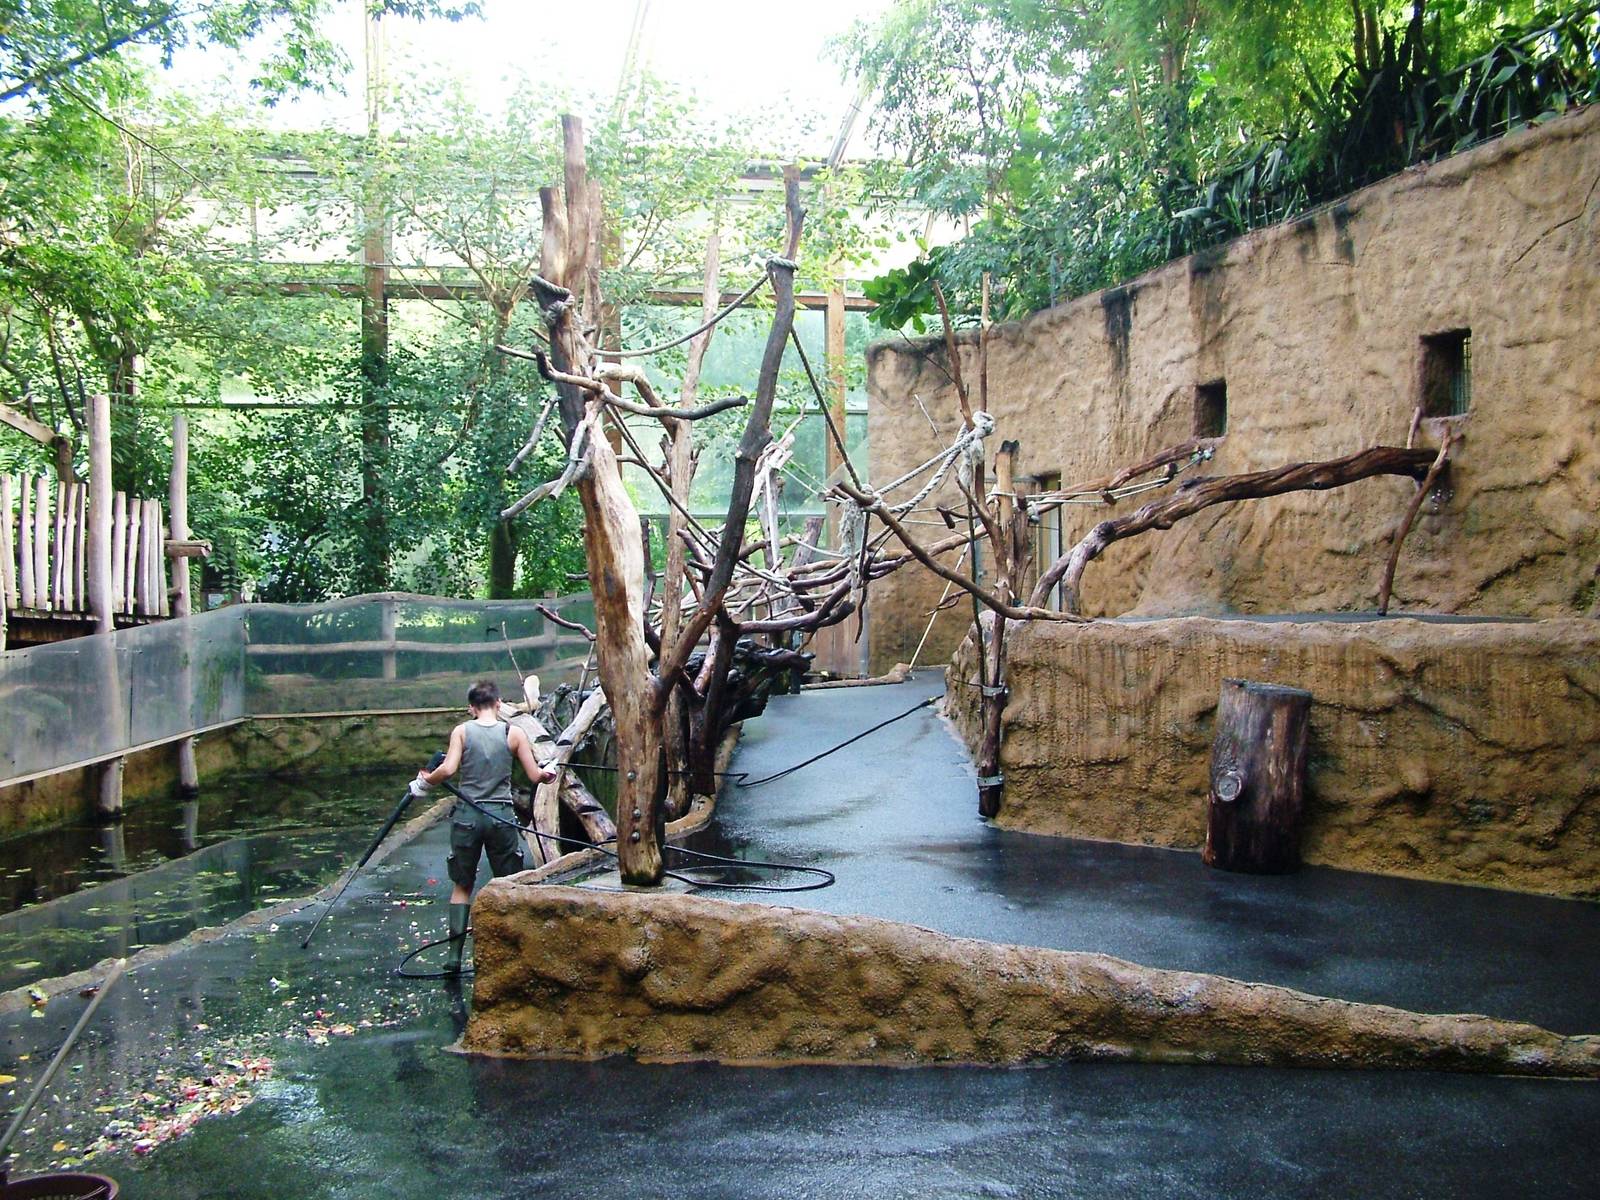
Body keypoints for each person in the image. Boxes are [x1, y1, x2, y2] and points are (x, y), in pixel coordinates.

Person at [412, 679, 556, 973]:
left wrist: (426, 779)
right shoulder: (513, 733)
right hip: (500, 816)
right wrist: (548, 773)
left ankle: (453, 957)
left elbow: (449, 769)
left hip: (467, 815)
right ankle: (513, 953)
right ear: (499, 703)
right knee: (509, 884)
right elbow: (534, 775)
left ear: (471, 708)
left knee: (462, 884)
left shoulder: (462, 731)